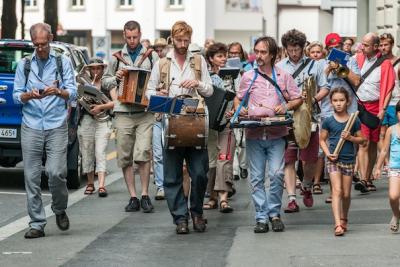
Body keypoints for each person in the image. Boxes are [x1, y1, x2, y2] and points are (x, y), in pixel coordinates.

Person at [146, 21, 213, 234]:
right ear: (172, 40)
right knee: (172, 177)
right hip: (171, 123)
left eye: (186, 40)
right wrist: (158, 94)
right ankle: (180, 218)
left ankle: (197, 212)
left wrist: (198, 84)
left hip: (195, 123)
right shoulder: (162, 63)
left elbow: (210, 90)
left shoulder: (199, 61)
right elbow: (148, 93)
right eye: (179, 40)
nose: (183, 44)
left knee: (200, 173)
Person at [13, 23, 77, 238]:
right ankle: (37, 223)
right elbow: (16, 95)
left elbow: (74, 92)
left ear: (50, 38)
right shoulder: (24, 64)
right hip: (31, 125)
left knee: (56, 172)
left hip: (56, 124)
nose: (40, 48)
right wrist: (29, 95)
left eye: (44, 43)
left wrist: (58, 91)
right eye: (36, 44)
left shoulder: (62, 61)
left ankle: (59, 209)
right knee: (31, 177)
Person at [235, 36, 302, 233]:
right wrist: (242, 110)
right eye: (257, 51)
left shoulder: (283, 76)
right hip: (254, 133)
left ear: (272, 54)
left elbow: (297, 98)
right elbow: (238, 100)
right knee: (256, 178)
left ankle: (274, 213)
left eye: (263, 52)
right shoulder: (248, 76)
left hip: (276, 134)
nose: (259, 56)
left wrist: (286, 106)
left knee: (276, 173)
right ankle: (261, 217)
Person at [102, 20, 159, 213]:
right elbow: (105, 82)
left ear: (140, 34)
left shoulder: (152, 56)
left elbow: (160, 79)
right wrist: (115, 78)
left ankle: (144, 195)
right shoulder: (117, 57)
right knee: (125, 157)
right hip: (123, 113)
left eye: (135, 37)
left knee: (142, 154)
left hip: (145, 113)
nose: (132, 40)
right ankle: (132, 196)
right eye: (129, 37)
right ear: (124, 36)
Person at [277, 29, 330, 213]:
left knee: (310, 159)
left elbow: (325, 87)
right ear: (285, 49)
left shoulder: (314, 65)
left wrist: (313, 99)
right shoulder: (280, 67)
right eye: (291, 49)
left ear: (303, 48)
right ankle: (291, 198)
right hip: (289, 118)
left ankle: (306, 185)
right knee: (289, 159)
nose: (294, 53)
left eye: (297, 49)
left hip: (311, 117)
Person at [316, 33, 361, 200]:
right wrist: (328, 68)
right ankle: (334, 191)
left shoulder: (351, 60)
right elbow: (318, 85)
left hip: (349, 113)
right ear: (327, 49)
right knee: (330, 150)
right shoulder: (321, 64)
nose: (334, 50)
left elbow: (356, 82)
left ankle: (344, 186)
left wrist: (343, 66)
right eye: (331, 48)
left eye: (337, 47)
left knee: (349, 148)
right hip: (329, 112)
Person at [320, 88, 365, 236]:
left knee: (346, 194)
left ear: (347, 102)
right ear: (331, 102)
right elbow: (322, 140)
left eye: (341, 100)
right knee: (337, 191)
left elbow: (363, 140)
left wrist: (351, 138)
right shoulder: (328, 120)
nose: (338, 104)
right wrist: (328, 154)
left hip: (349, 160)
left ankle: (344, 218)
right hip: (333, 160)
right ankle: (337, 223)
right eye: (335, 101)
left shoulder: (354, 120)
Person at [355, 32, 395, 193]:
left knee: (372, 143)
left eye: (365, 45)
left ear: (375, 46)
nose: (362, 47)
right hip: (360, 106)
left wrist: (383, 109)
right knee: (364, 142)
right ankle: (363, 179)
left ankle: (368, 177)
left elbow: (389, 89)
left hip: (375, 107)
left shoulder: (385, 64)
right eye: (362, 44)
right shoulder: (357, 59)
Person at [203, 42, 238, 213]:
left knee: (225, 158)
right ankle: (211, 196)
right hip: (210, 124)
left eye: (225, 56)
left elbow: (239, 97)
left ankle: (224, 198)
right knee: (211, 161)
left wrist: (234, 111)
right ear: (210, 59)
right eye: (219, 56)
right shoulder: (206, 78)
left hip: (227, 122)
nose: (223, 59)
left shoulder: (234, 76)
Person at [77, 58, 114, 197]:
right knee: (87, 152)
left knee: (100, 152)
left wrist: (101, 107)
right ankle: (90, 183)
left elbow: (115, 102)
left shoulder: (107, 84)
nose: (96, 71)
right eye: (93, 69)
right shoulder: (84, 83)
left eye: (98, 68)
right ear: (89, 70)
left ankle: (102, 185)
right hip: (87, 119)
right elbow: (78, 99)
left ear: (102, 69)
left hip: (103, 120)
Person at [374, 100, 400, 232]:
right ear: (396, 114)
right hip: (395, 167)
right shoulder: (392, 129)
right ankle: (396, 214)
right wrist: (378, 167)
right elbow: (384, 150)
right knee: (393, 196)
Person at [227, 42, 250, 180]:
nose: (234, 55)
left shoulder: (248, 67)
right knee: (233, 139)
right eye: (232, 53)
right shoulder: (224, 66)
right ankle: (235, 169)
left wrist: (243, 73)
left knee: (243, 141)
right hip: (230, 106)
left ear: (241, 54)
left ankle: (243, 165)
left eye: (237, 53)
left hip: (245, 106)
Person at [378, 33, 400, 170]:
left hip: (395, 101)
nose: (383, 47)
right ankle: (386, 162)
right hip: (381, 102)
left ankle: (394, 158)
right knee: (381, 133)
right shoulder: (377, 62)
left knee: (395, 132)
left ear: (392, 45)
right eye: (381, 45)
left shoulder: (398, 61)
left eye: (386, 44)